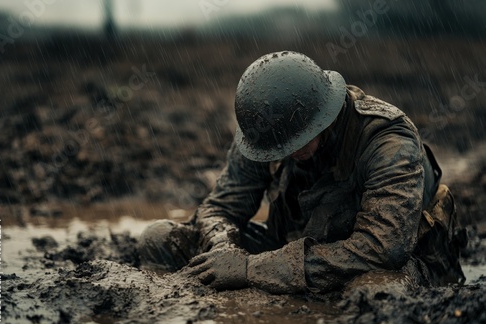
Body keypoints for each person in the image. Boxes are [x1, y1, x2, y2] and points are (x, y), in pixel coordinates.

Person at [138, 51, 467, 294]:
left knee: (379, 294)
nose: (290, 153)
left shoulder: (386, 141)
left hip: (389, 259)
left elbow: (384, 248)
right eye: (278, 148)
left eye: (298, 141)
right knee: (161, 239)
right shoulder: (264, 130)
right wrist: (224, 249)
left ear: (324, 114)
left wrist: (254, 268)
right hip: (294, 245)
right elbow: (219, 208)